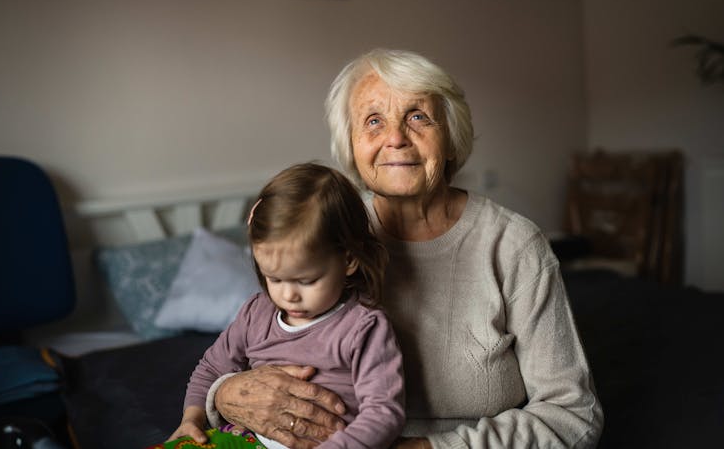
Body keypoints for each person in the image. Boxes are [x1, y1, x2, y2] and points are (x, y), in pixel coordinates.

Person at [205, 49, 604, 448]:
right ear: (351, 146)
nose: (395, 138)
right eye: (373, 121)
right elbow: (249, 342)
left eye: (417, 117)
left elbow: (572, 416)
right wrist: (223, 394)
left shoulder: (515, 246)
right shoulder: (326, 235)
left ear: (450, 137)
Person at [169, 163, 405, 449]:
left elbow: (383, 414)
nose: (288, 295)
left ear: (348, 260)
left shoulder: (363, 327)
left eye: (306, 281)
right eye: (274, 278)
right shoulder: (256, 313)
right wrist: (191, 419)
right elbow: (211, 368)